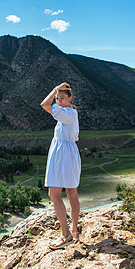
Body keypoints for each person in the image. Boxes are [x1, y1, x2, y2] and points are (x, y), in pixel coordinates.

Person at [40, 82, 81, 249]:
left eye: (62, 98)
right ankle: (74, 231)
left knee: (54, 194)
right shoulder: (70, 113)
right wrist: (58, 92)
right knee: (71, 191)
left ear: (70, 98)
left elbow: (44, 104)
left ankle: (66, 235)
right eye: (57, 98)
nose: (59, 101)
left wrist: (55, 88)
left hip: (62, 153)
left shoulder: (67, 113)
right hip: (70, 152)